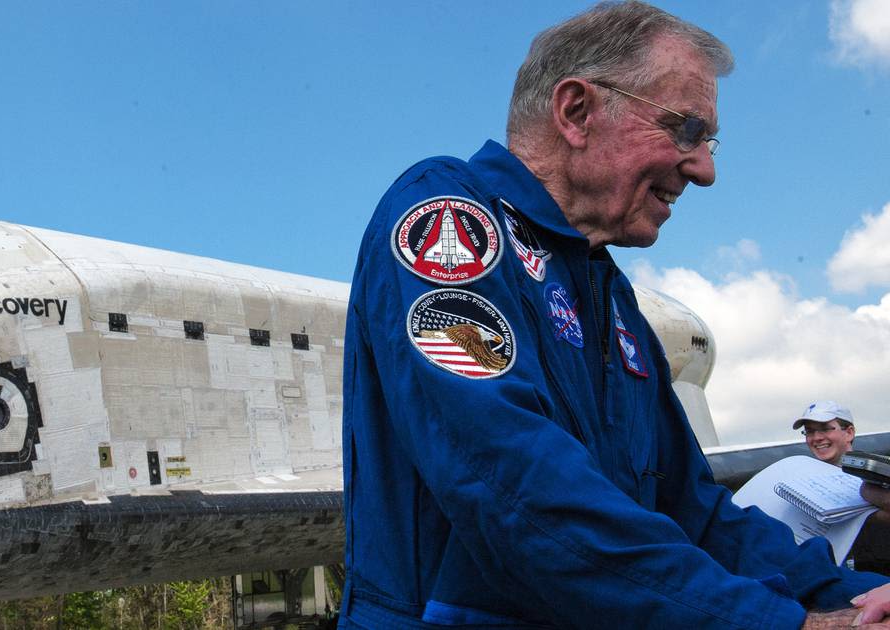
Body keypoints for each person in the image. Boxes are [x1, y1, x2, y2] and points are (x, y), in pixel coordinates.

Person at [341, 2, 890, 628]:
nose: (706, 170)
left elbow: (694, 511)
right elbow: (515, 487)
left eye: (709, 142)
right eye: (687, 131)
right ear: (577, 112)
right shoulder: (450, 220)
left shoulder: (609, 291)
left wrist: (852, 596)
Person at [794, 400, 856, 466]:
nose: (817, 438)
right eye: (810, 431)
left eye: (825, 429)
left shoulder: (866, 474)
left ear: (849, 433)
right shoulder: (804, 473)